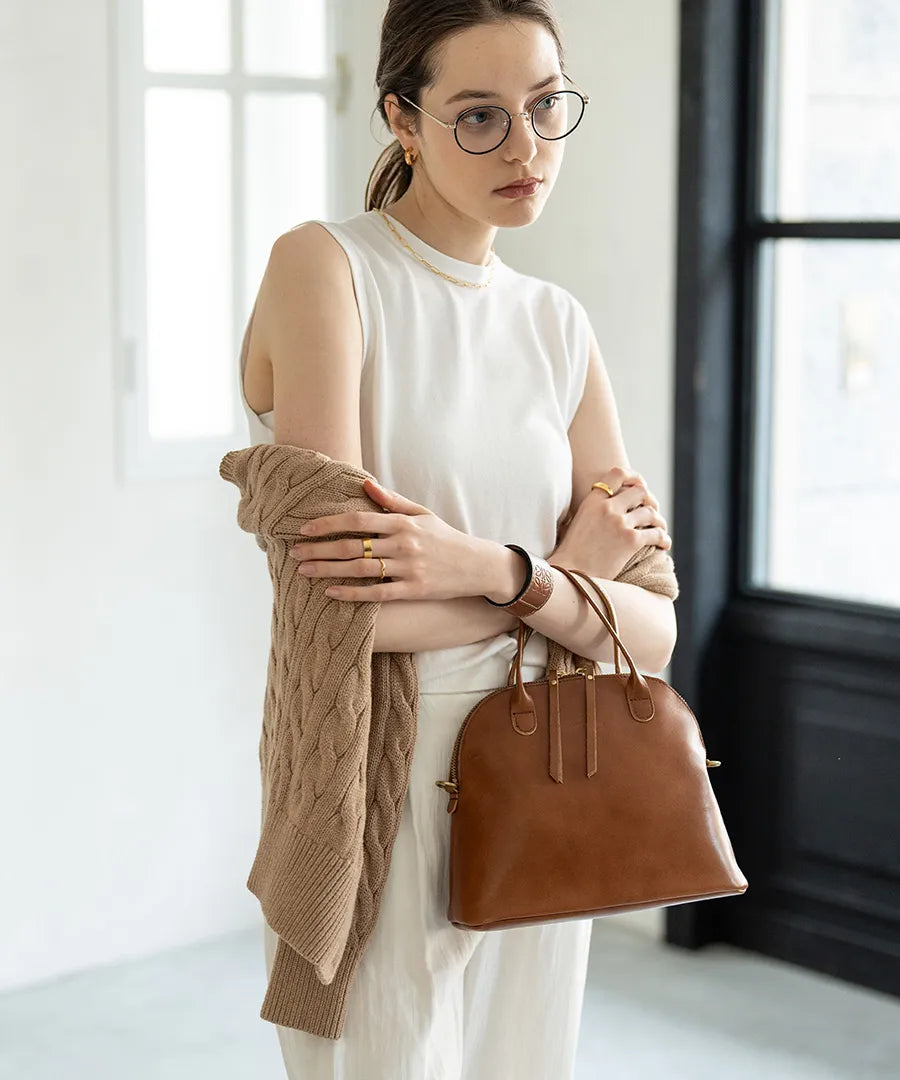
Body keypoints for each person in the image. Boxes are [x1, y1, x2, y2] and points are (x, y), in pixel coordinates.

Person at [238, 1, 676, 1075]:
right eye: (479, 117)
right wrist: (573, 582)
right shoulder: (327, 269)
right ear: (402, 117)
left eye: (545, 108)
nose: (526, 149)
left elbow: (654, 630)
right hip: (382, 777)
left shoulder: (556, 324)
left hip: (552, 770)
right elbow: (339, 616)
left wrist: (494, 568)